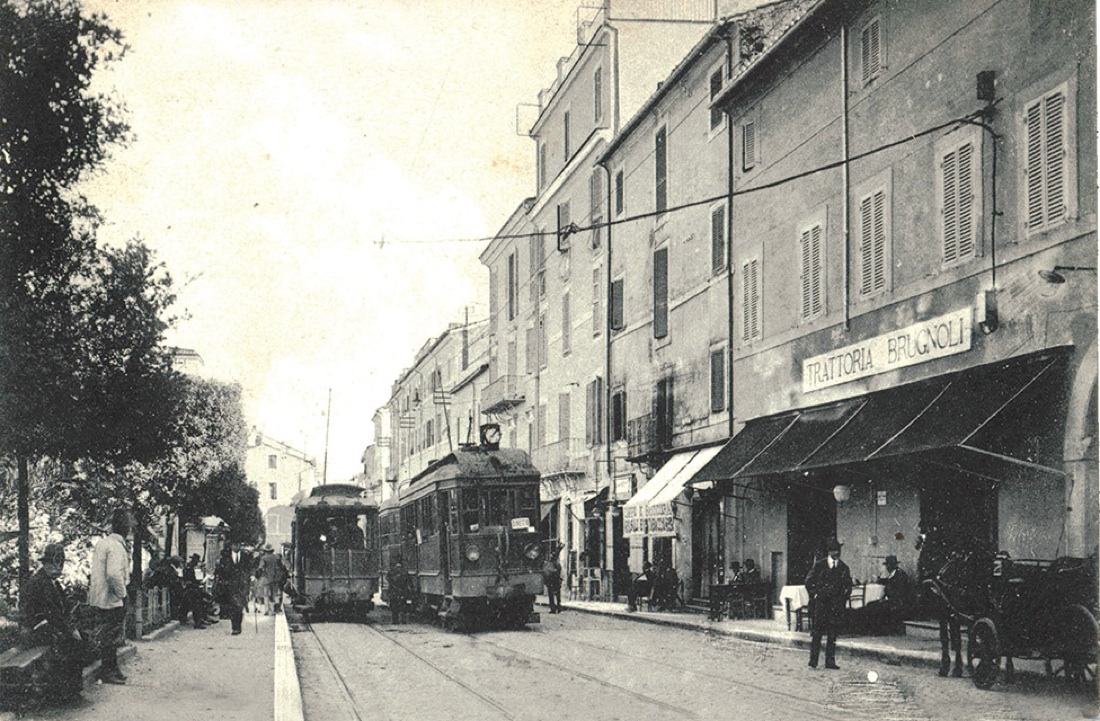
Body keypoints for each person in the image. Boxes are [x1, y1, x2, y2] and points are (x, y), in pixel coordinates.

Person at [20, 543, 84, 702]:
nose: (58, 568)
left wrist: (72, 624)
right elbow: (51, 613)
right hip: (35, 630)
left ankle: (68, 690)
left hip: (48, 628)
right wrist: (70, 630)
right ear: (45, 564)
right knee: (73, 643)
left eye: (61, 564)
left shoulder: (51, 582)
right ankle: (66, 693)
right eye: (54, 563)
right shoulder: (39, 583)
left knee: (79, 639)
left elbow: (63, 608)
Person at [88, 509, 131, 685]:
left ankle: (112, 669)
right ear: (125, 528)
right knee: (111, 637)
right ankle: (109, 671)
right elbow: (113, 575)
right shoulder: (116, 546)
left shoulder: (103, 543)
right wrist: (123, 594)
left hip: (99, 597)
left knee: (108, 635)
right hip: (112, 599)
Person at [804, 538, 852, 670]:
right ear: (829, 551)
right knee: (817, 633)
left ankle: (830, 662)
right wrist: (815, 595)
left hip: (835, 606)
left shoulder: (843, 568)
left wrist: (842, 599)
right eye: (833, 550)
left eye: (838, 550)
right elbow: (808, 581)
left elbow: (848, 586)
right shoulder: (819, 565)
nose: (836, 553)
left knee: (832, 634)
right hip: (821, 605)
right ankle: (813, 661)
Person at [213, 542, 253, 635]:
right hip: (229, 586)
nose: (236, 546)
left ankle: (237, 626)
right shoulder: (225, 558)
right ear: (231, 546)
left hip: (241, 586)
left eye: (238, 545)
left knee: (239, 607)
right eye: (235, 545)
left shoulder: (245, 557)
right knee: (232, 607)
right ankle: (235, 627)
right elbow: (220, 572)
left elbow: (249, 570)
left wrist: (249, 581)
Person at [254, 544, 288, 615]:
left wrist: (257, 574)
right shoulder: (277, 557)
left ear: (265, 551)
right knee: (275, 594)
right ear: (272, 550)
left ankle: (267, 610)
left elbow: (261, 568)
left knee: (266, 595)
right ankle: (276, 608)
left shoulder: (264, 558)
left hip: (267, 578)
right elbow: (282, 567)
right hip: (276, 579)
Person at [542, 549, 563, 614]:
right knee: (557, 596)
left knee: (552, 596)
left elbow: (555, 572)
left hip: (553, 581)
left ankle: (554, 609)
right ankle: (557, 608)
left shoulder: (553, 564)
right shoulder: (557, 564)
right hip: (555, 581)